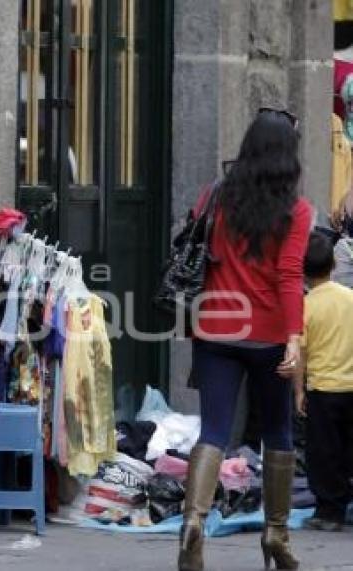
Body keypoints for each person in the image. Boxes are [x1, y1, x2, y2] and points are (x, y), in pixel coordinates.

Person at [178, 109, 312, 571]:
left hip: (215, 325)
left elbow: (197, 248)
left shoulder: (214, 196)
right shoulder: (296, 210)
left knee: (213, 429)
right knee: (278, 431)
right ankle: (276, 534)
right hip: (270, 333)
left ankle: (193, 521)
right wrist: (294, 337)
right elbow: (290, 275)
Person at [294, 232, 353, 532]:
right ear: (333, 263)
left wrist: (298, 392)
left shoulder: (305, 307)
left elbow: (300, 354)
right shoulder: (349, 298)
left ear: (302, 271)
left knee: (324, 453)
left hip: (323, 390)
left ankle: (330, 511)